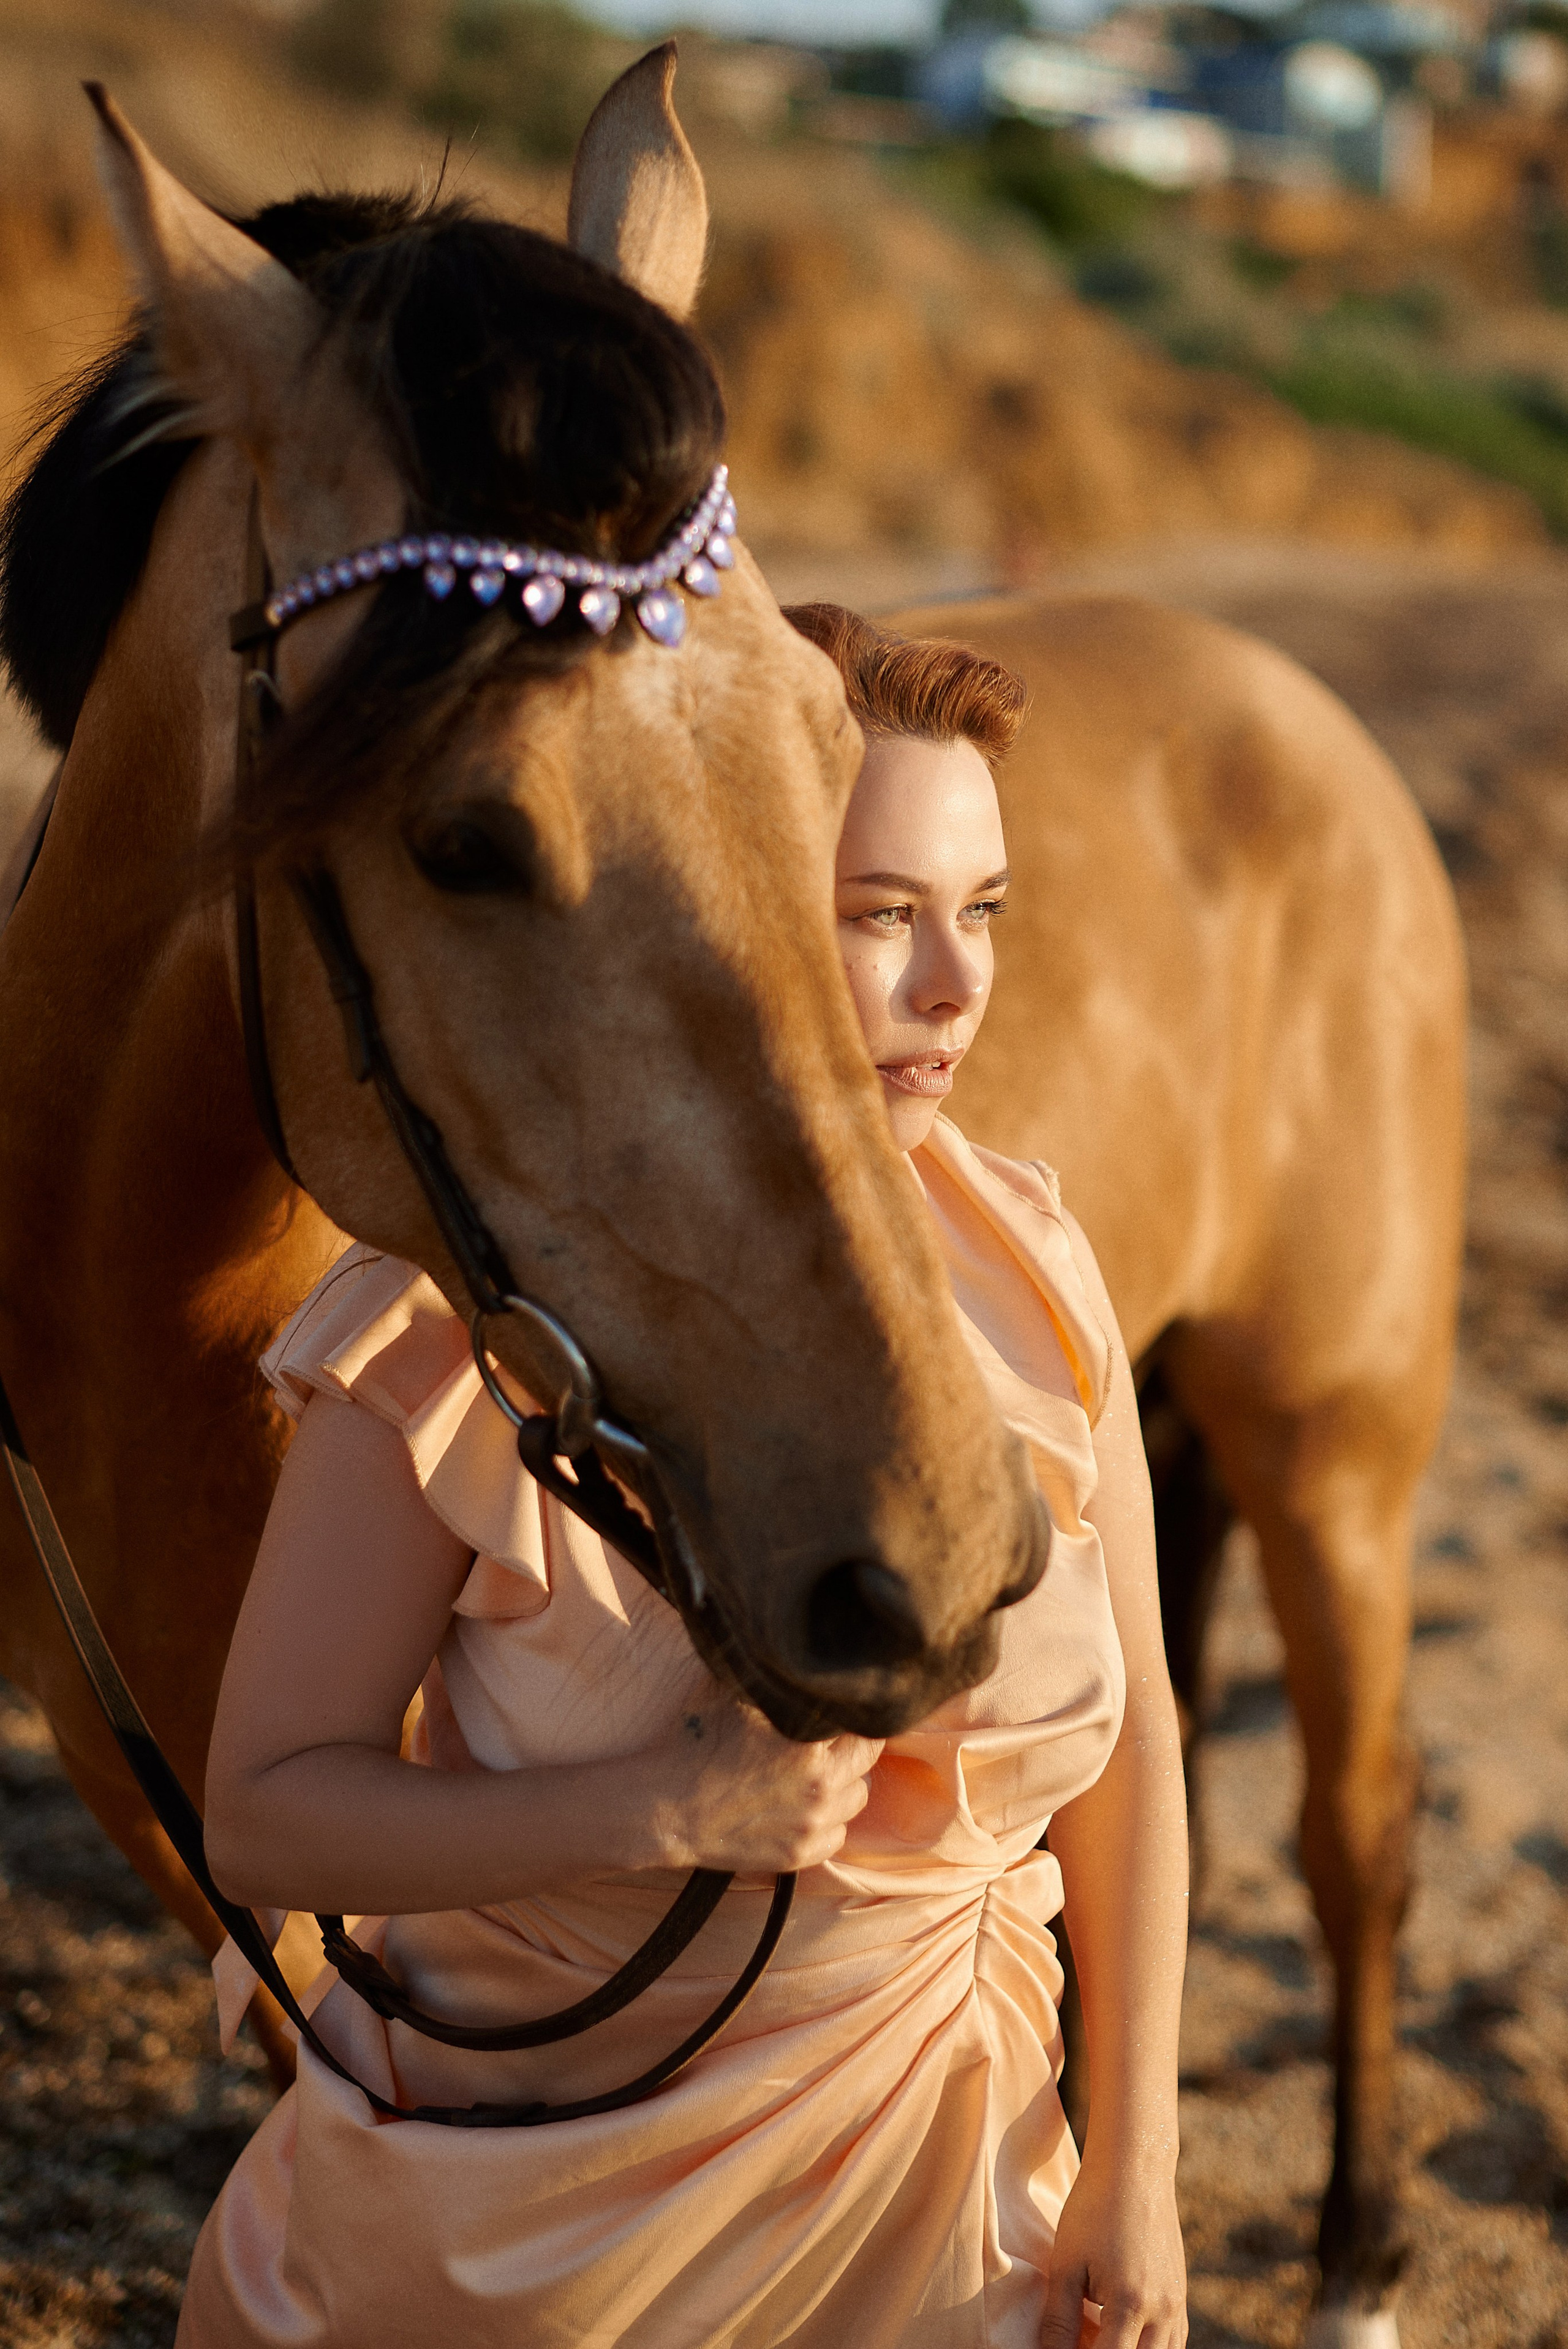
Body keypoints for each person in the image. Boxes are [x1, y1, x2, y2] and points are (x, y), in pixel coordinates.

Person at [179, 606, 1189, 2349]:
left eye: (983, 912)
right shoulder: (453, 1308)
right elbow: (266, 1808)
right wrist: (657, 1807)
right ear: (729, 917)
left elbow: (1145, 1735)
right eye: (881, 919)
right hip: (520, 2254)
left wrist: (1139, 2159)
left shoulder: (1036, 1264)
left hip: (963, 2220)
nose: (955, 984)